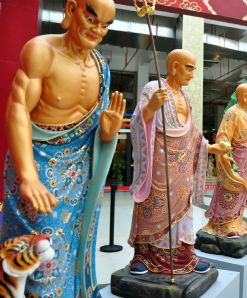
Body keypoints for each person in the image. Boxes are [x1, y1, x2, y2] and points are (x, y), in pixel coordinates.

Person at [2, 0, 124, 296]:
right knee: (43, 250)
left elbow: (97, 132)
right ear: (71, 9)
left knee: (73, 244)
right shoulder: (41, 51)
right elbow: (18, 107)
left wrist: (108, 131)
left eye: (105, 25)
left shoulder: (101, 68)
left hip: (79, 174)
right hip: (39, 165)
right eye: (92, 19)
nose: (98, 30)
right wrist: (28, 174)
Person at [128, 49, 228, 275]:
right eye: (189, 67)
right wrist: (151, 108)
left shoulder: (186, 98)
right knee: (153, 206)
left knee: (183, 211)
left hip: (182, 168)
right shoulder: (153, 89)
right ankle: (144, 255)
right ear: (174, 67)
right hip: (158, 165)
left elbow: (192, 133)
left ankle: (184, 254)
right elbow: (136, 125)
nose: (193, 74)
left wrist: (210, 147)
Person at [203, 83, 247, 237]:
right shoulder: (233, 113)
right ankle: (223, 224)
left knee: (243, 192)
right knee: (231, 191)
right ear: (244, 96)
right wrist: (224, 148)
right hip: (235, 163)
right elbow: (223, 135)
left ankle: (236, 221)